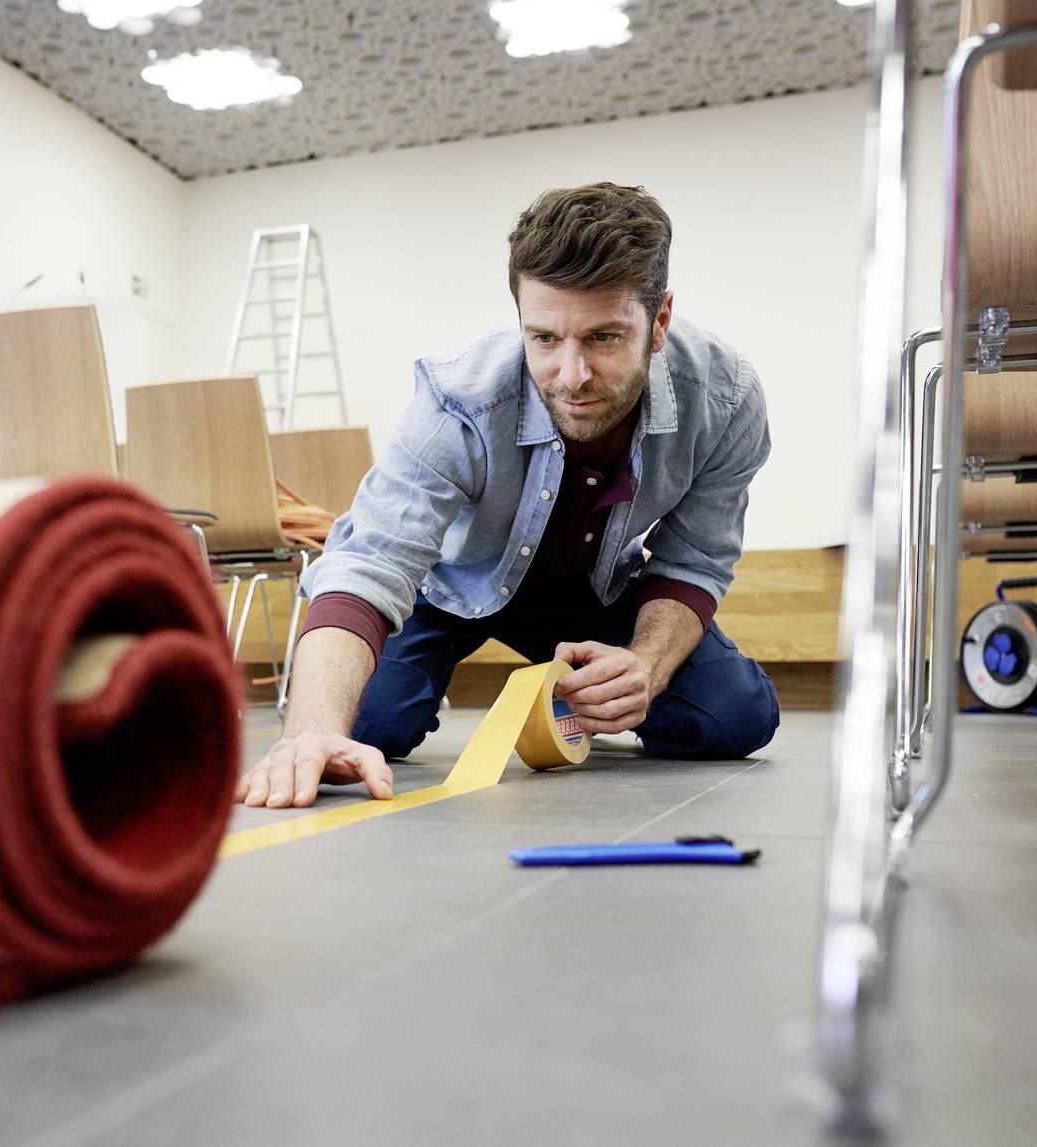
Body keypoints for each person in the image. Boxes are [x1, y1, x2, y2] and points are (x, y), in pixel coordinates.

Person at [235, 182, 779, 809]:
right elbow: (370, 561)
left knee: (733, 715)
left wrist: (645, 666)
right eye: (543, 338)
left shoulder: (725, 399)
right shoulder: (457, 402)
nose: (572, 376)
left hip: (593, 588)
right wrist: (309, 733)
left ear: (658, 322)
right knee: (360, 726)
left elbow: (694, 561)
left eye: (604, 337)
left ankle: (578, 693)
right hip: (446, 587)